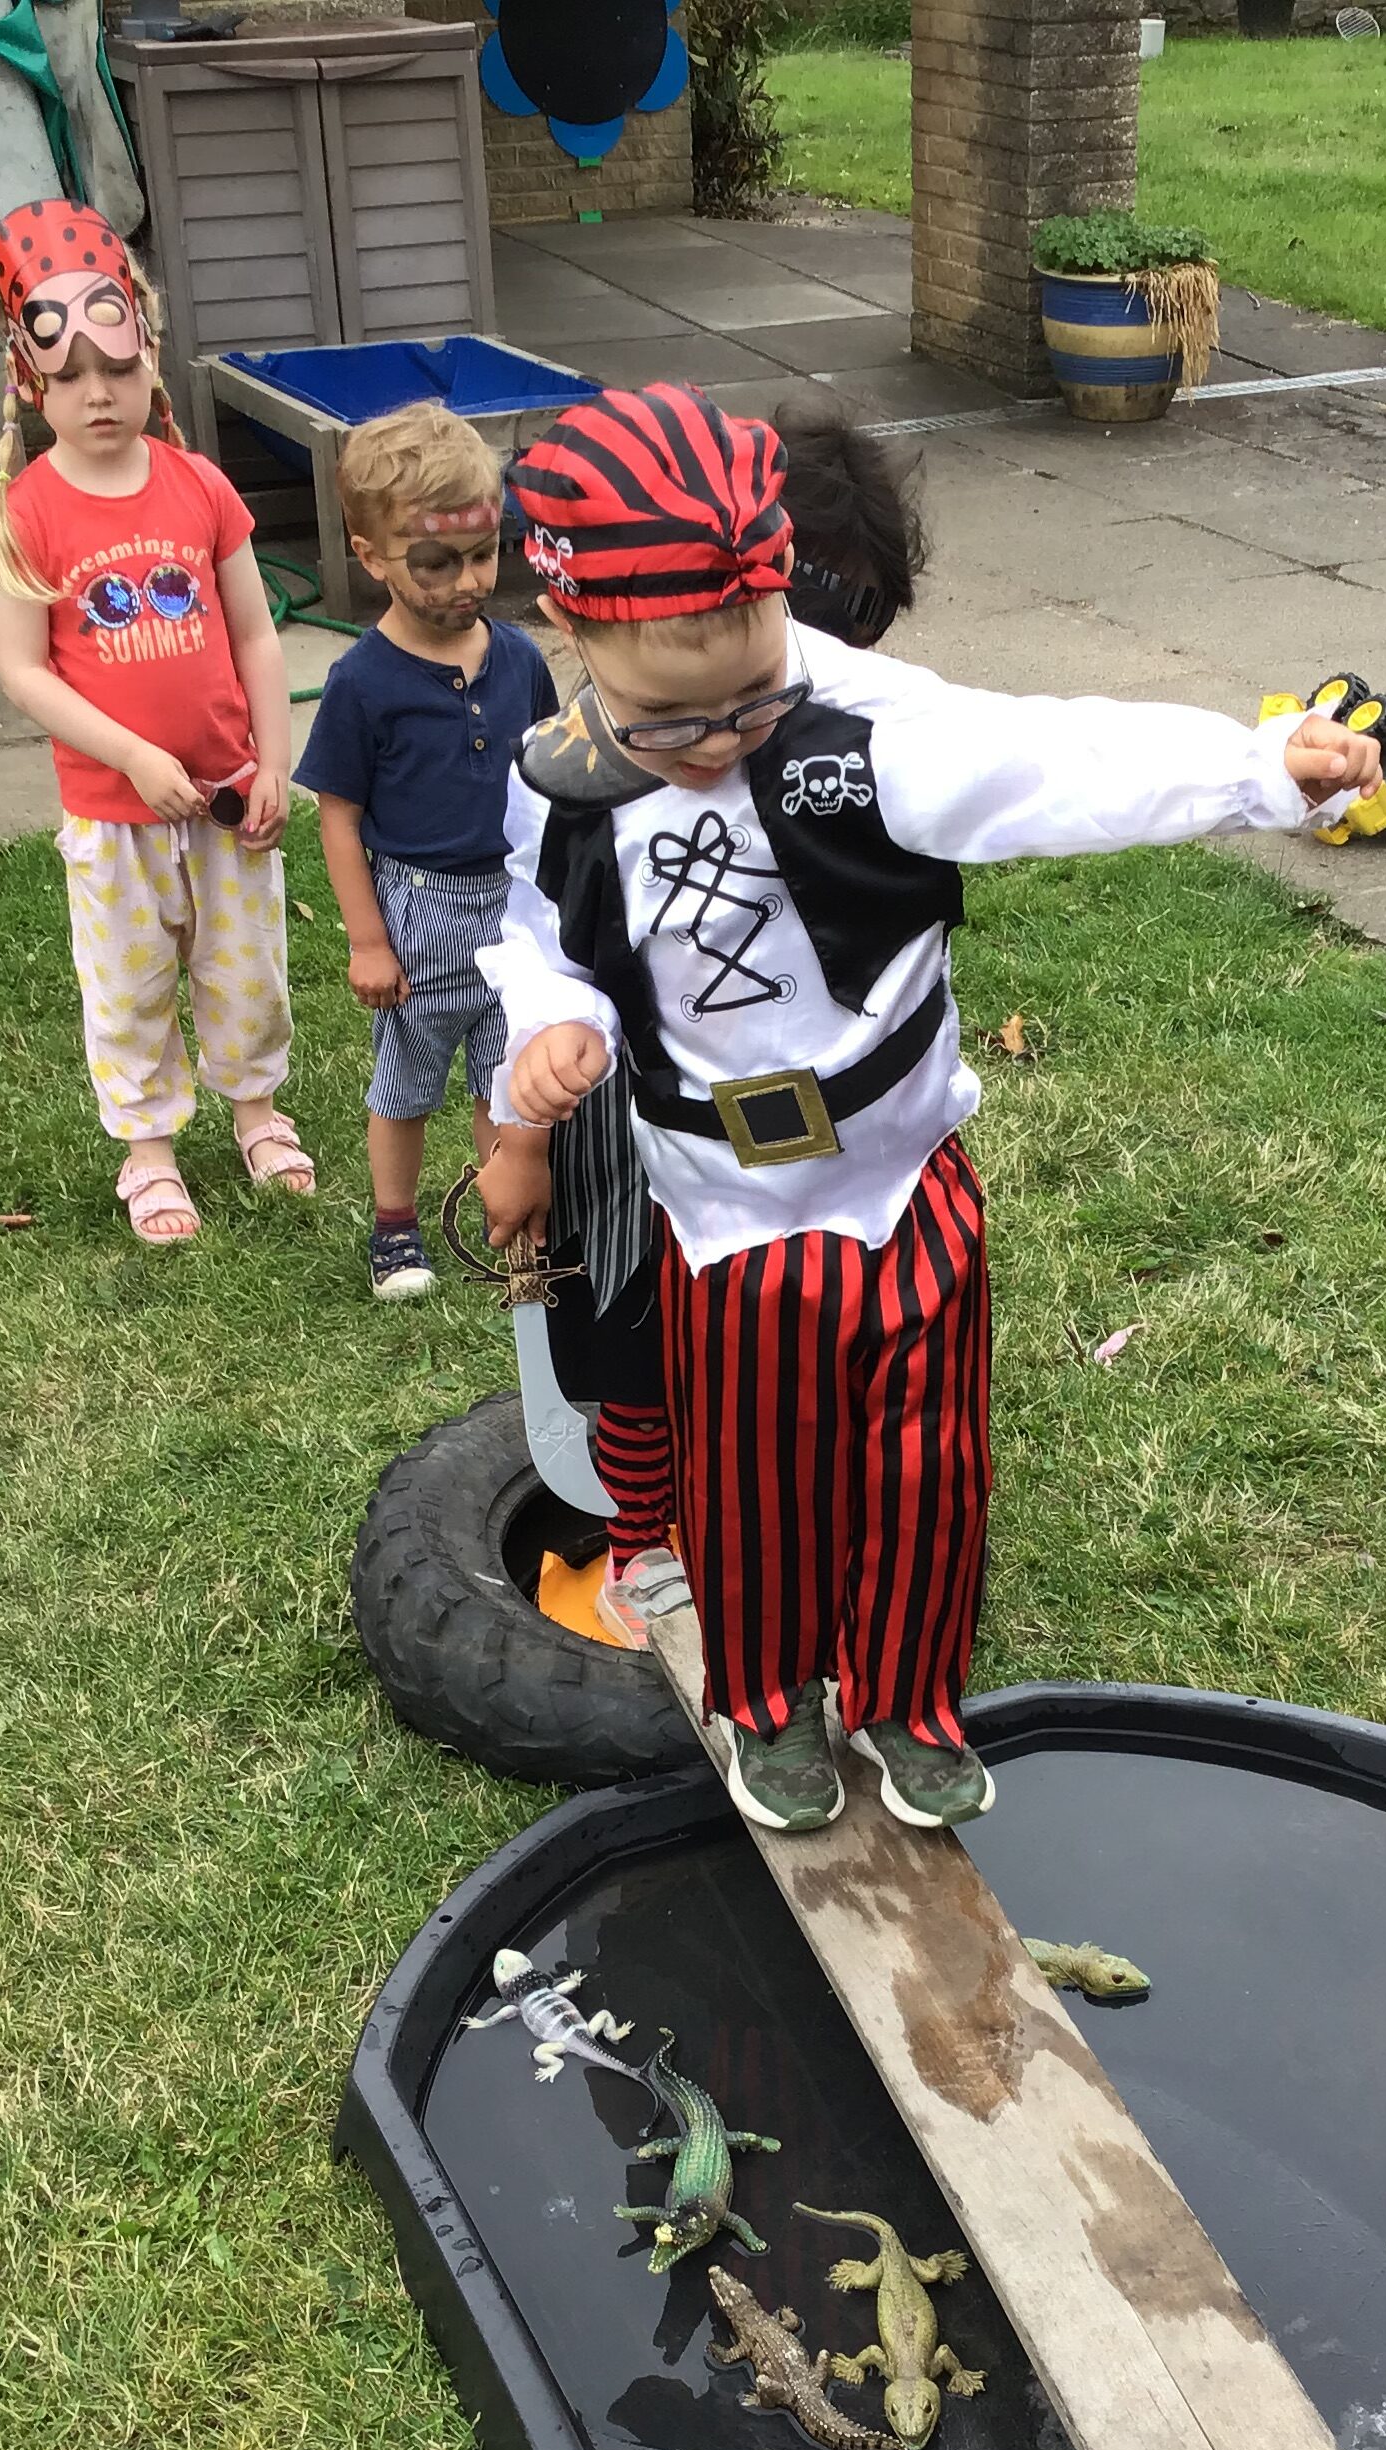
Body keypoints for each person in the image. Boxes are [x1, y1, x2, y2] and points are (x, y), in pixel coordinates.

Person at [478, 383, 1379, 1837]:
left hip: (902, 1174)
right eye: (670, 720)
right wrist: (552, 1031)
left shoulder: (867, 726)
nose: (714, 743)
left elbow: (1053, 761)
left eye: (748, 699)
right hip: (726, 1214)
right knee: (753, 1482)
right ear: (573, 632)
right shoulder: (560, 784)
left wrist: (1258, 769)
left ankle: (908, 1694)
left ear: (777, 597)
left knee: (927, 1464)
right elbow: (543, 940)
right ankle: (769, 1704)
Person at [483, 398, 933, 1646]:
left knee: (801, 1346)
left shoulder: (840, 755)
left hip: (800, 1144)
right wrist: (520, 1138)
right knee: (634, 1351)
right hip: (639, 1135)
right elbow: (539, 952)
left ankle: (801, 1525)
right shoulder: (574, 780)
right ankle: (644, 1547)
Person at [0, 201, 311, 1245]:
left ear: (150, 359)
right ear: (30, 381)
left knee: (245, 968)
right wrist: (129, 753)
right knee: (129, 985)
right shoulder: (25, 515)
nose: (99, 394)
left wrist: (272, 762)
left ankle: (257, 1113)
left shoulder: (200, 486)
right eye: (72, 376)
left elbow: (256, 636)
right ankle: (150, 1149)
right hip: (113, 813)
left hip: (225, 800)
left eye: (118, 369)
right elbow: (21, 671)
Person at [295, 405, 558, 1300]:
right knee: (406, 1083)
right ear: (371, 556)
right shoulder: (361, 682)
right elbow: (339, 821)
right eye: (436, 562)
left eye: (485, 554)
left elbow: (547, 781)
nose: (467, 581)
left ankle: (507, 1224)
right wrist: (369, 941)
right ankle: (396, 1229)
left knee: (505, 1078)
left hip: (510, 905)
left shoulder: (519, 660)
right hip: (418, 913)